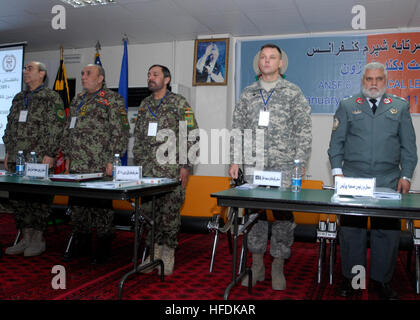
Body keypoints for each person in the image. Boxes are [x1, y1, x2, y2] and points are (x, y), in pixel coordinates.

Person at [328, 62, 417, 300]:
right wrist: (337, 172)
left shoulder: (399, 106)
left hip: (388, 181)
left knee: (386, 233)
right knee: (352, 232)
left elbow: (409, 147)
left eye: (378, 79)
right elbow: (336, 144)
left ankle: (381, 281)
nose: (374, 83)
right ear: (363, 81)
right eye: (369, 79)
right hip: (353, 180)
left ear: (385, 81)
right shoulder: (348, 105)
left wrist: (406, 176)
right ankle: (352, 278)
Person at [229, 44, 312, 290]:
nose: (266, 61)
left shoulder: (293, 92)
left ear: (280, 64)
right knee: (255, 215)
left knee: (283, 216)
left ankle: (278, 263)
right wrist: (235, 160)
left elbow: (304, 131)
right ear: (258, 64)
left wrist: (300, 163)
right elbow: (237, 129)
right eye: (263, 57)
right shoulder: (248, 93)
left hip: (284, 167)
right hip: (254, 166)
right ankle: (257, 265)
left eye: (272, 57)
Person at [132, 64, 198, 275]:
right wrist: (139, 165)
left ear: (166, 79)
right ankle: (153, 254)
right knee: (150, 215)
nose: (150, 78)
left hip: (170, 172)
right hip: (148, 173)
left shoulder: (179, 103)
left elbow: (192, 135)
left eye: (155, 74)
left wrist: (186, 166)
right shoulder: (144, 105)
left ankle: (167, 254)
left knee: (169, 216)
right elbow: (139, 138)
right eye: (149, 74)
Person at [61, 64, 129, 264]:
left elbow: (120, 131)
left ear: (100, 78)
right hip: (77, 163)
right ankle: (80, 243)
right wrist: (67, 155)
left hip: (100, 164)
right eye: (82, 73)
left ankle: (103, 246)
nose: (83, 77)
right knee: (77, 206)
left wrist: (113, 159)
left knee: (101, 208)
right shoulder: (77, 99)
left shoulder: (112, 99)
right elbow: (69, 128)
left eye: (88, 73)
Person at [4, 61, 66, 257]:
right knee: (19, 199)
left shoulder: (50, 97)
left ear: (42, 74)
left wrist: (50, 153)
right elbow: (10, 126)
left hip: (38, 158)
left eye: (29, 69)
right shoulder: (18, 97)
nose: (25, 72)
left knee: (37, 200)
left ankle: (38, 239)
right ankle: (25, 238)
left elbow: (56, 127)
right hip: (16, 157)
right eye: (24, 69)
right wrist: (8, 151)